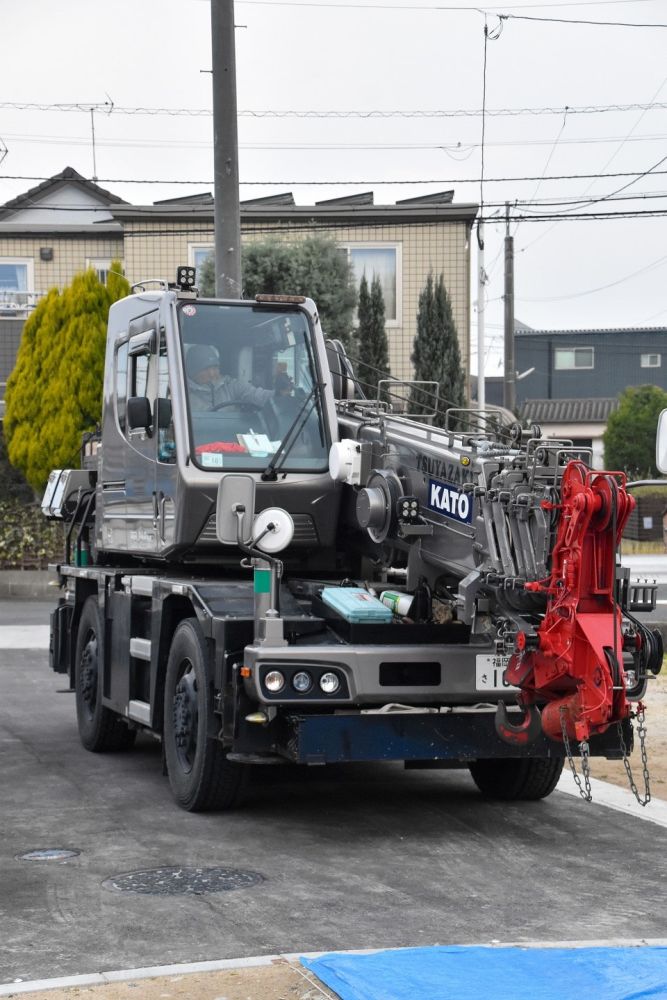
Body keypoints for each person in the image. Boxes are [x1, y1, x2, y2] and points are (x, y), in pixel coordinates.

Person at [185, 344, 292, 411]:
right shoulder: (183, 393)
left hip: (232, 440)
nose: (212, 374)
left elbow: (257, 395)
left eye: (215, 367)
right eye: (206, 369)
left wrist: (278, 393)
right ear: (193, 371)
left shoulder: (231, 386)